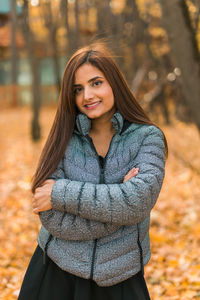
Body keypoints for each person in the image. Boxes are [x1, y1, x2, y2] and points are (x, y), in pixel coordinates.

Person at [18, 43, 167, 300]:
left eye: (96, 83)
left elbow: (137, 202)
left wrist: (60, 193)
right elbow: (53, 218)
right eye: (78, 89)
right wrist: (120, 199)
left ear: (114, 84)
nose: (87, 95)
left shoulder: (148, 138)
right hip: (54, 273)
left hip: (121, 278)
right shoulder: (63, 139)